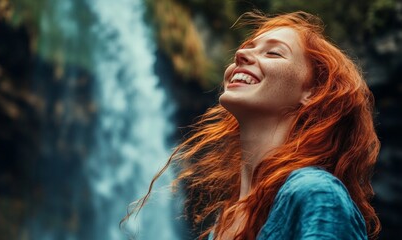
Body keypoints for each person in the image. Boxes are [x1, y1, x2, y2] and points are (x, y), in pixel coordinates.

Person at [125, 11, 381, 240]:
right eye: (247, 47)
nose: (240, 54)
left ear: (313, 93)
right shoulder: (226, 221)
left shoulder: (315, 194)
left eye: (273, 52)